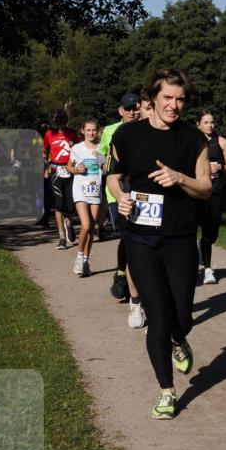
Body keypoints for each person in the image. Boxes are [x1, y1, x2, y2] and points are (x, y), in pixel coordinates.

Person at [107, 68, 212, 419]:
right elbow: (113, 177)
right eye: (167, 98)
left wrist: (179, 177)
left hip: (180, 238)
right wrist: (120, 197)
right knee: (157, 315)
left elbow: (205, 187)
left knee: (182, 316)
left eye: (180, 99)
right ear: (151, 99)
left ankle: (179, 337)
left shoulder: (194, 138)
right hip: (140, 238)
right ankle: (167, 390)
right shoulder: (127, 134)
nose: (174, 105)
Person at [98, 92, 141, 303]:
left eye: (135, 108)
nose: (132, 112)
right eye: (128, 108)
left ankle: (128, 275)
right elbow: (101, 153)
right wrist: (104, 167)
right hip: (116, 191)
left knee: (135, 237)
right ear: (121, 110)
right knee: (126, 235)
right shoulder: (109, 130)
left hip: (137, 190)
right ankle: (123, 274)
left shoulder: (146, 128)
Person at [195, 110, 226, 285]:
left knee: (212, 232)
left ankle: (203, 249)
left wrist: (219, 166)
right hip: (197, 192)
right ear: (198, 124)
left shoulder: (222, 142)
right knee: (192, 229)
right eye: (206, 122)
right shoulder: (193, 141)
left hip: (216, 192)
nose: (210, 125)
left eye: (212, 122)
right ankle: (207, 269)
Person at [67, 119, 106, 277]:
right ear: (82, 131)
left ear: (97, 132)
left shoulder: (101, 149)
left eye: (94, 130)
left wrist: (101, 161)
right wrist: (76, 169)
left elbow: (104, 170)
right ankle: (79, 257)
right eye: (88, 130)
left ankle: (85, 261)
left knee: (91, 228)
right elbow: (68, 167)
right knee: (86, 224)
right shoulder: (77, 148)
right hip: (80, 190)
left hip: (95, 190)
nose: (91, 133)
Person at [43, 110, 80, 249]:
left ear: (67, 119)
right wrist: (45, 165)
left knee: (71, 205)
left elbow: (79, 150)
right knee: (59, 204)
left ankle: (69, 223)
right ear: (54, 119)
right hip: (56, 172)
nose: (61, 120)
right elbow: (44, 150)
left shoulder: (73, 133)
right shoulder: (49, 134)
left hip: (71, 170)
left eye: (63, 117)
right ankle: (62, 237)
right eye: (58, 118)